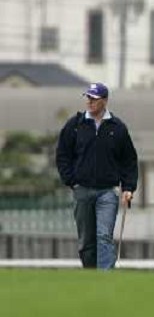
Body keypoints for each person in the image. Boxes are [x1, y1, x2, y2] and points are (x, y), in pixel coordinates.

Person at [55, 82, 138, 270]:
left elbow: (129, 160)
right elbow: (62, 155)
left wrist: (129, 188)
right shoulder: (75, 125)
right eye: (88, 98)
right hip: (81, 190)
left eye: (94, 99)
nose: (90, 102)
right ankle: (91, 276)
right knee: (86, 241)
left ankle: (105, 277)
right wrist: (71, 181)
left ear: (105, 101)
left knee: (104, 236)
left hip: (108, 192)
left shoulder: (117, 128)